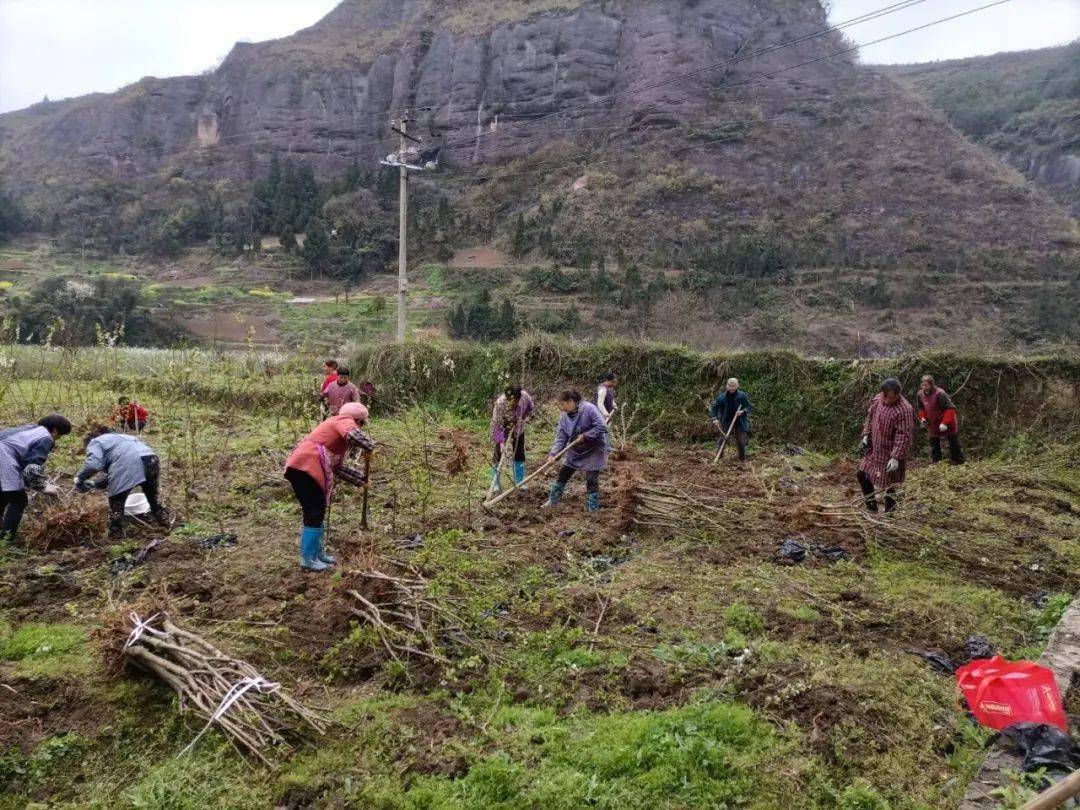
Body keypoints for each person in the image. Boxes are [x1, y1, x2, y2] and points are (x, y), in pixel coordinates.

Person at [284, 402, 374, 572]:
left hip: (303, 468)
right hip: (306, 467)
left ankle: (317, 554)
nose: (360, 426)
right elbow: (355, 435)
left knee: (317, 511)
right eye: (361, 424)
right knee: (314, 511)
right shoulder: (343, 420)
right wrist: (369, 445)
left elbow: (337, 468)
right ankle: (308, 559)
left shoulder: (335, 438)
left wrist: (361, 479)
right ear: (358, 421)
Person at [74, 426, 168, 540]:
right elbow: (117, 472)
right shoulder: (124, 437)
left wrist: (79, 478)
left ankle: (116, 536)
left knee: (116, 503)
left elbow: (94, 465)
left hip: (129, 462)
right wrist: (95, 484)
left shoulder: (95, 442)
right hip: (151, 459)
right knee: (153, 497)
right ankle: (165, 523)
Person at [0, 414, 71, 544]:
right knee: (18, 499)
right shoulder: (46, 437)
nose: (57, 439)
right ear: (55, 430)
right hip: (3, 456)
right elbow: (32, 466)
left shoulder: (29, 429)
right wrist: (43, 487)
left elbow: (24, 465)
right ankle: (6, 540)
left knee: (3, 496)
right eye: (60, 436)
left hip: (4, 453)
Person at [542, 389, 608, 512]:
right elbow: (561, 437)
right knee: (563, 474)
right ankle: (553, 501)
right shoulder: (564, 417)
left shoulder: (589, 409)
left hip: (594, 449)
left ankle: (592, 508)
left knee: (591, 479)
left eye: (563, 404)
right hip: (575, 449)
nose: (562, 408)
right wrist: (553, 454)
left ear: (571, 401)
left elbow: (602, 426)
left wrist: (586, 435)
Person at [859, 378, 914, 513]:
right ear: (882, 393)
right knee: (862, 475)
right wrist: (866, 435)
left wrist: (896, 457)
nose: (889, 400)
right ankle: (871, 508)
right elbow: (869, 417)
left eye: (892, 397)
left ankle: (890, 515)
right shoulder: (878, 400)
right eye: (886, 396)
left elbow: (904, 435)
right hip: (874, 449)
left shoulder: (904, 410)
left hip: (889, 453)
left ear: (898, 395)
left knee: (890, 485)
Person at [490, 386, 535, 492]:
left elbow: (531, 407)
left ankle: (520, 482)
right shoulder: (500, 403)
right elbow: (497, 424)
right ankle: (495, 484)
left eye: (514, 400)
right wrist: (501, 442)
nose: (512, 403)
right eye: (509, 400)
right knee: (498, 454)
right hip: (502, 427)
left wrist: (524, 417)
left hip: (518, 427)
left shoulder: (525, 397)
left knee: (519, 452)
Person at [917, 375, 964, 465]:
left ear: (931, 385)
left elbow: (950, 409)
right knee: (934, 442)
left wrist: (944, 423)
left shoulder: (940, 394)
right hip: (933, 422)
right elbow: (921, 407)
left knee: (953, 441)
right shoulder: (920, 394)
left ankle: (958, 460)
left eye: (926, 385)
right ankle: (937, 462)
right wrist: (922, 417)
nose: (924, 387)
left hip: (947, 420)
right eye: (922, 385)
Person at [710, 378, 753, 462]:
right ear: (727, 386)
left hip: (740, 420)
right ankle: (718, 457)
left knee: (741, 440)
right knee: (723, 439)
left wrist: (743, 411)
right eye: (730, 386)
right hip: (726, 420)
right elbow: (714, 408)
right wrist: (714, 418)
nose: (731, 388)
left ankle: (742, 459)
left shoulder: (742, 395)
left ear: (737, 386)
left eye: (733, 386)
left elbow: (749, 406)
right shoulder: (721, 397)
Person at [596, 372, 618, 450]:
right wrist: (605, 414)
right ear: (608, 380)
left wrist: (614, 405)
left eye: (615, 382)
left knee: (607, 430)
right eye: (613, 382)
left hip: (607, 413)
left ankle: (606, 446)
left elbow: (610, 398)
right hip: (600, 413)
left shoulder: (610, 389)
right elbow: (600, 403)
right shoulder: (602, 389)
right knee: (603, 430)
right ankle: (605, 447)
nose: (614, 384)